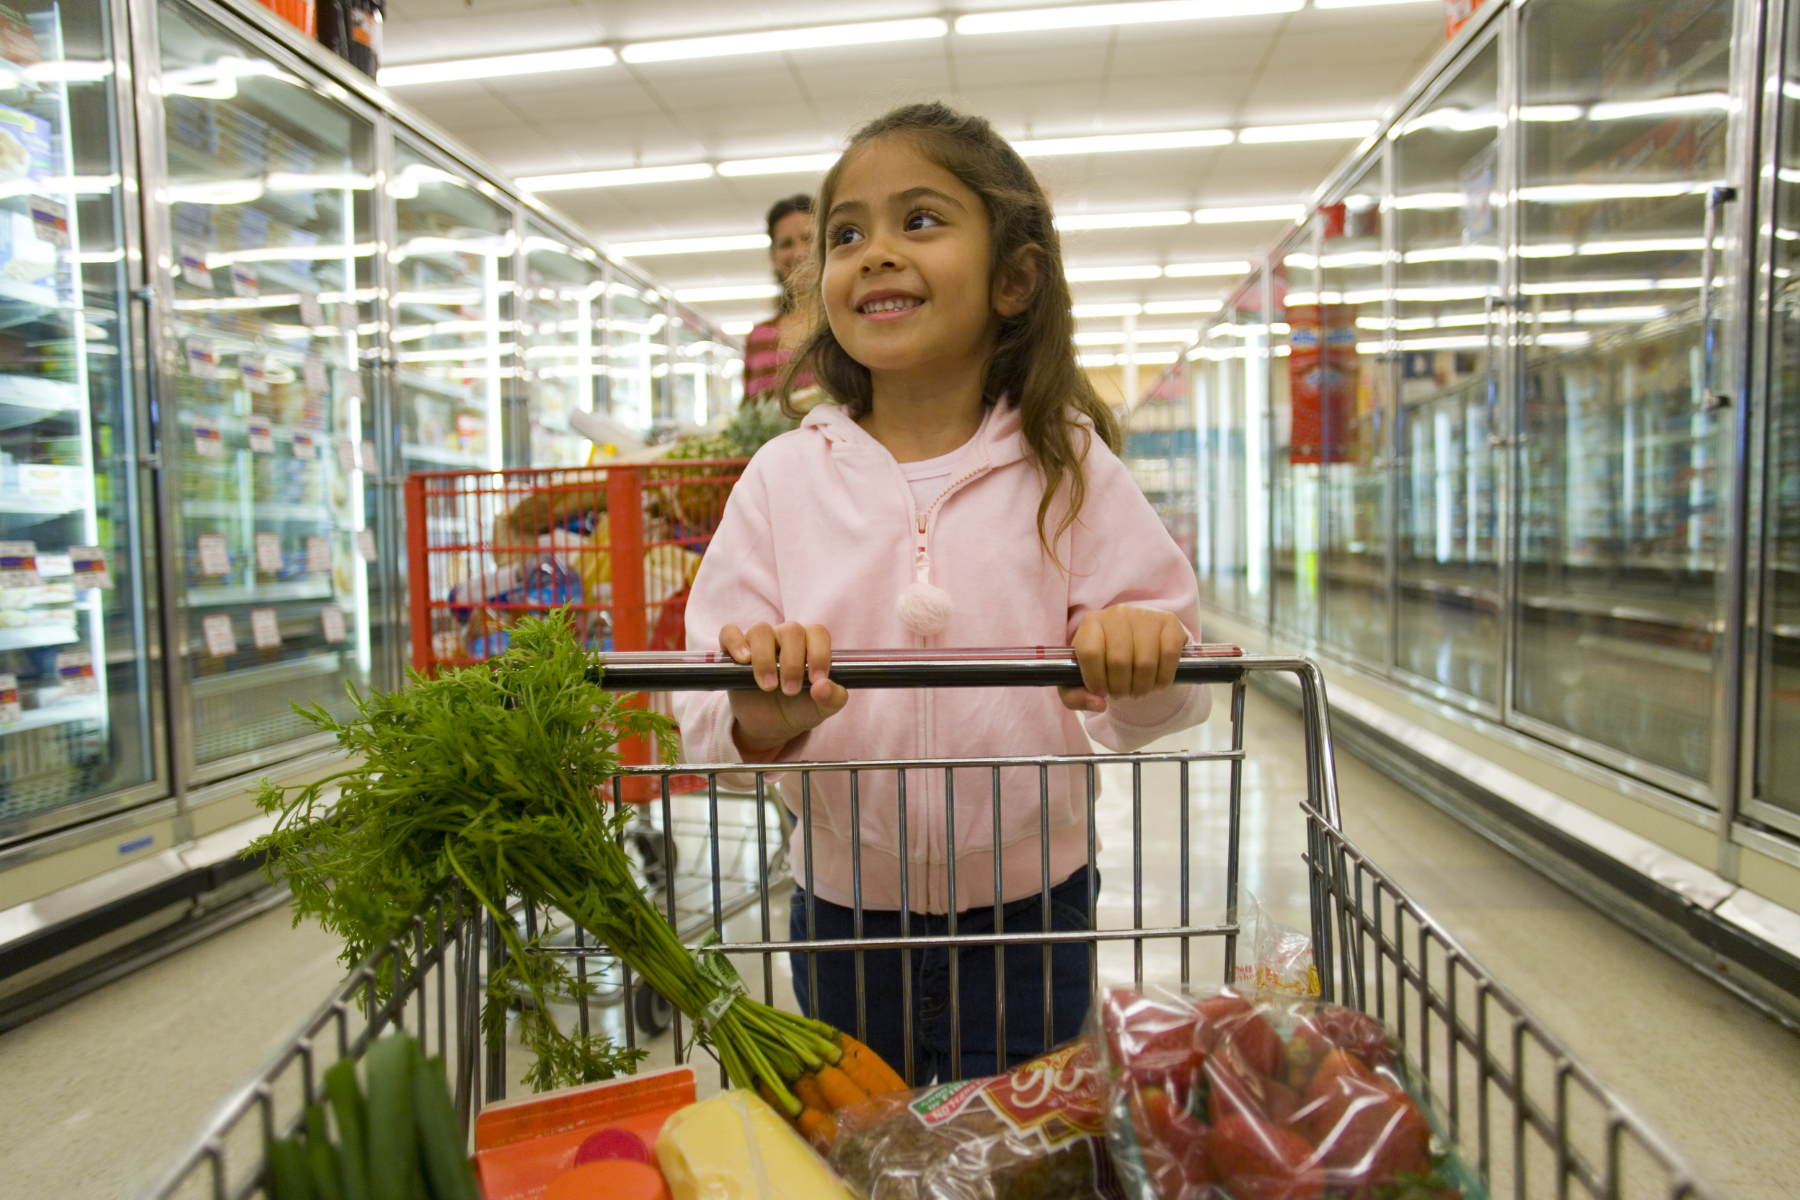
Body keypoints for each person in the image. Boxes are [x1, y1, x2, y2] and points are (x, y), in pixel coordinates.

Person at [673, 102, 1211, 1082]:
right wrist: (755, 713)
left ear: (1014, 278)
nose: (876, 252)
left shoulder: (1068, 465)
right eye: (848, 234)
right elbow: (700, 708)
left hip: (1031, 916)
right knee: (865, 1150)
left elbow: (1173, 688)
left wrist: (1141, 654)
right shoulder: (783, 481)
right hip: (842, 914)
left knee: (1015, 1155)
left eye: (919, 220)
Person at [742, 194, 818, 402]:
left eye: (808, 238)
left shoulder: (849, 326)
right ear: (774, 258)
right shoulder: (758, 337)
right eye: (786, 244)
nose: (799, 253)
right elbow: (749, 409)